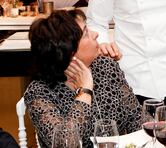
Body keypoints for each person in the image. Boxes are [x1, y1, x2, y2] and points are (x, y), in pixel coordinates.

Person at [24, 10, 142, 148]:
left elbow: (135, 117)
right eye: (86, 33)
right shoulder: (39, 92)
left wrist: (158, 128)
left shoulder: (105, 66)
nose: (96, 34)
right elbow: (65, 144)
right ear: (69, 52)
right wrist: (84, 92)